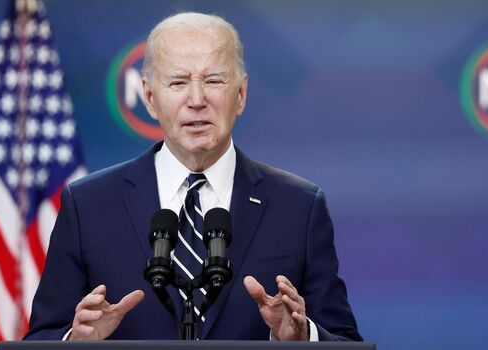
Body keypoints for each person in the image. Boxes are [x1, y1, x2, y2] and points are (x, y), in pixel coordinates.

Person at [24, 12, 362, 342]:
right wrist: (74, 342)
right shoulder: (88, 206)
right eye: (178, 82)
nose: (197, 100)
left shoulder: (299, 207)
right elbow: (42, 336)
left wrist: (304, 338)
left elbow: (345, 340)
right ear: (151, 98)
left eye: (214, 80)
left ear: (241, 95)